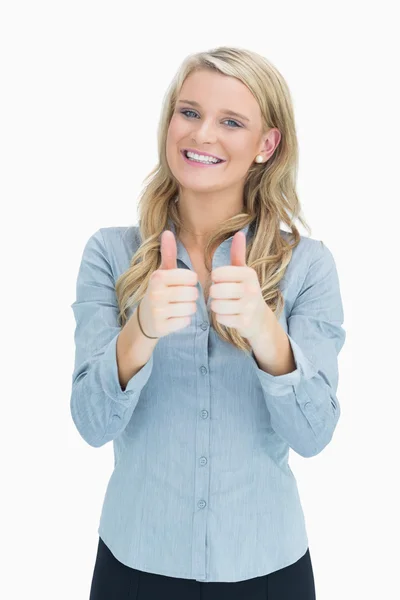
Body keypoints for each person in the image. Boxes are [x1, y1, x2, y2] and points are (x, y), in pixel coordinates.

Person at [70, 46, 346, 599]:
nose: (201, 136)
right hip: (134, 567)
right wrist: (140, 332)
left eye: (232, 121)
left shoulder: (308, 266)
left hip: (267, 570)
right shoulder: (110, 255)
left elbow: (314, 436)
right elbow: (90, 423)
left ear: (267, 144)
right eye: (189, 112)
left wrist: (267, 333)